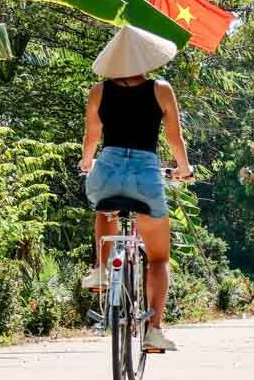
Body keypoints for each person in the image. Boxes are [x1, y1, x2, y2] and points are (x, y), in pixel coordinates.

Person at [79, 26, 193, 352]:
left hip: (108, 167)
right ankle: (153, 330)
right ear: (146, 59)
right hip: (145, 173)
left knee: (103, 205)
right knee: (158, 259)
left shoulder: (98, 91)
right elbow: (174, 138)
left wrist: (88, 161)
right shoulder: (161, 89)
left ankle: (103, 270)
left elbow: (91, 138)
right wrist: (183, 168)